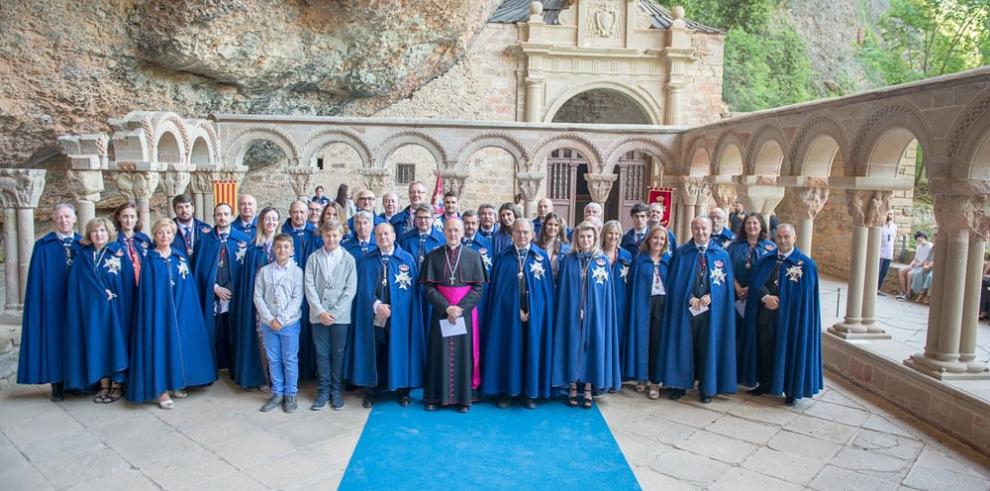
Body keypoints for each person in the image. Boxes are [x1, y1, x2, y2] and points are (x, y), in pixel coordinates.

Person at [127, 219, 216, 409]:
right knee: (160, 347)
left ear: (173, 235)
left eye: (168, 233)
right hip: (158, 312)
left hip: (180, 309)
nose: (164, 236)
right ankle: (161, 390)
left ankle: (176, 382)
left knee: (179, 346)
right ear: (155, 235)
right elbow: (148, 292)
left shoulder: (179, 256)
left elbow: (187, 286)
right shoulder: (150, 260)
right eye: (160, 233)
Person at [740, 224, 822, 405]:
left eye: (786, 237)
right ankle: (766, 383)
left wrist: (783, 301)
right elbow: (756, 283)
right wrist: (765, 297)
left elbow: (805, 296)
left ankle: (790, 389)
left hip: (791, 320)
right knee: (765, 350)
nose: (782, 241)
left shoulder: (806, 265)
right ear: (774, 238)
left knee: (788, 351)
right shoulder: (766, 260)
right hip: (765, 317)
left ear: (794, 238)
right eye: (779, 237)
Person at [658, 216, 737, 403]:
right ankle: (679, 384)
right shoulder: (681, 253)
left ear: (711, 230)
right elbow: (674, 283)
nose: (700, 232)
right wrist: (689, 297)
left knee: (707, 347)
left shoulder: (721, 255)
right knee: (683, 345)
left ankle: (705, 386)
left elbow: (726, 289)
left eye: (704, 228)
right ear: (691, 229)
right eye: (697, 228)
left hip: (711, 313)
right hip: (685, 311)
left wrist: (713, 296)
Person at [347, 223, 424, 408]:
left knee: (399, 350)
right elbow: (362, 290)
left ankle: (402, 390)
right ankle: (372, 390)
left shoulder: (406, 260)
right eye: (379, 235)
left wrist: (398, 309)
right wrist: (377, 305)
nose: (383, 238)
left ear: (394, 235)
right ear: (375, 237)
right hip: (374, 316)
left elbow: (413, 294)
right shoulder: (367, 261)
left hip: (401, 318)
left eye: (386, 234)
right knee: (375, 350)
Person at [483, 219, 554, 408]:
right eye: (518, 232)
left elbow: (545, 293)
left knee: (531, 350)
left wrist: (534, 311)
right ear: (512, 234)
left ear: (532, 234)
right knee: (509, 350)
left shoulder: (541, 257)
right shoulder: (503, 257)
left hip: (534, 316)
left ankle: (530, 393)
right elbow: (498, 293)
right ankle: (507, 391)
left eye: (525, 232)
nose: (522, 236)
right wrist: (515, 310)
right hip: (507, 316)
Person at [419, 218, 487, 412]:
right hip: (441, 313)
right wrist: (446, 308)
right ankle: (434, 397)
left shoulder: (473, 257)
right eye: (449, 230)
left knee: (463, 355)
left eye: (456, 230)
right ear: (444, 232)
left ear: (463, 232)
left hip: (464, 315)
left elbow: (478, 288)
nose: (453, 234)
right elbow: (428, 288)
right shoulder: (433, 256)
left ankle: (463, 399)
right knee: (438, 354)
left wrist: (460, 309)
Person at [552, 221, 621, 409]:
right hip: (571, 314)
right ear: (576, 238)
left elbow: (605, 295)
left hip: (595, 314)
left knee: (592, 347)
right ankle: (573, 386)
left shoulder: (602, 262)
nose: (585, 240)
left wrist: (590, 309)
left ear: (595, 238)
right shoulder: (568, 260)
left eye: (589, 236)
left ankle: (589, 388)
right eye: (582, 236)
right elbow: (565, 291)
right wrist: (576, 308)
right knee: (573, 345)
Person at [17, 204, 80, 401]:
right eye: (60, 217)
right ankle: (57, 384)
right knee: (56, 341)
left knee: (77, 339)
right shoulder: (43, 245)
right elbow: (36, 279)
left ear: (75, 219)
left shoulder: (83, 243)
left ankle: (76, 382)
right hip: (53, 302)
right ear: (54, 220)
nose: (64, 221)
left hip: (77, 302)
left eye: (67, 217)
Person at [65, 218, 128, 404]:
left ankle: (117, 385)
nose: (99, 234)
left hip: (115, 309)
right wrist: (99, 293)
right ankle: (103, 384)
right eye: (94, 231)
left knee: (115, 343)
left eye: (102, 230)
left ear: (109, 232)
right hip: (92, 311)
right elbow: (78, 284)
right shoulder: (83, 256)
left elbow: (126, 282)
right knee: (97, 344)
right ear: (89, 234)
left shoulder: (118, 253)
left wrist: (115, 295)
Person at [305, 220, 358, 411]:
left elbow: (350, 289)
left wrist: (334, 313)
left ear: (341, 235)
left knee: (338, 353)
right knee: (321, 353)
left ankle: (336, 391)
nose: (331, 239)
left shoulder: (349, 259)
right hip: (318, 315)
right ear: (322, 235)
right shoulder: (313, 258)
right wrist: (320, 311)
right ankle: (323, 391)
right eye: (328, 235)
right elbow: (309, 286)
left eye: (335, 235)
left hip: (340, 317)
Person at [193, 203, 250, 373]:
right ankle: (215, 365)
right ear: (214, 216)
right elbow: (199, 268)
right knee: (214, 330)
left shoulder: (243, 240)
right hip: (213, 292)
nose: (222, 217)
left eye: (226, 214)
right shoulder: (205, 240)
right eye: (219, 214)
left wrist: (230, 288)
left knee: (232, 330)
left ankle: (234, 366)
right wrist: (215, 287)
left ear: (232, 216)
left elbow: (245, 270)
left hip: (234, 293)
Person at [254, 233, 305, 413]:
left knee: (289, 359)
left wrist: (282, 319)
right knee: (273, 359)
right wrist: (269, 319)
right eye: (279, 247)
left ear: (292, 250)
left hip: (289, 324)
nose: (282, 250)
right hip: (269, 325)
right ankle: (277, 393)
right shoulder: (265, 271)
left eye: (286, 247)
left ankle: (291, 394)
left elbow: (297, 297)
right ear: (273, 249)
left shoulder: (297, 272)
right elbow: (258, 296)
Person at [231, 207, 281, 389]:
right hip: (260, 303)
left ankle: (281, 378)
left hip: (281, 302)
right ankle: (265, 378)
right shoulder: (254, 247)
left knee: (280, 338)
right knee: (263, 340)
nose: (271, 222)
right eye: (267, 219)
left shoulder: (284, 245)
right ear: (261, 222)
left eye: (274, 219)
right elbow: (250, 278)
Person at [624, 226, 671, 399]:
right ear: (649, 240)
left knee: (657, 343)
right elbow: (633, 286)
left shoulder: (668, 260)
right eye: (655, 238)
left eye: (662, 239)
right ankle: (641, 377)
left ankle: (655, 382)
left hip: (662, 305)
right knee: (642, 341)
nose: (658, 241)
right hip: (643, 304)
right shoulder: (639, 260)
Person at [281, 200, 320, 379]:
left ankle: (311, 369)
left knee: (311, 329)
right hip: (290, 291)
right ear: (290, 212)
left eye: (302, 212)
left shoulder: (315, 234)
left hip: (312, 290)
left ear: (307, 214)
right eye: (295, 212)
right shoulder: (283, 235)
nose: (298, 216)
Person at [112, 203, 150, 348]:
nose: (129, 220)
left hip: (142, 289)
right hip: (123, 290)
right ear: (118, 218)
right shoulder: (112, 240)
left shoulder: (144, 240)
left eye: (132, 216)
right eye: (125, 216)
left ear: (137, 219)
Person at [601, 220, 632, 390]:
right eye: (610, 233)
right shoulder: (597, 255)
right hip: (601, 304)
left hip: (620, 303)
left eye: (617, 234)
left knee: (617, 340)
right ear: (604, 234)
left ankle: (614, 379)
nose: (613, 237)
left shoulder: (626, 256)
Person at [399, 203, 445, 268]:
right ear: (415, 219)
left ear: (433, 219)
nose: (423, 220)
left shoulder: (442, 239)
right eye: (420, 217)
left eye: (426, 217)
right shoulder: (406, 239)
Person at [172, 194, 211, 265]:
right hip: (177, 272)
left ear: (193, 208)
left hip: (199, 272)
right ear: (174, 210)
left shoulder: (205, 230)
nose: (184, 210)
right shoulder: (168, 229)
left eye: (187, 206)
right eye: (180, 207)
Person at [535, 212, 571, 281]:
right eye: (550, 224)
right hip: (542, 282)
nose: (552, 228)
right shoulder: (536, 246)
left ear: (560, 228)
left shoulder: (566, 248)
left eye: (556, 225)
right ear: (544, 226)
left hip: (558, 285)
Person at [897, 231, 932, 300]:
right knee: (901, 271)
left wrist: (916, 266)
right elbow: (915, 259)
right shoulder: (919, 247)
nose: (919, 241)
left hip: (923, 266)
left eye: (920, 239)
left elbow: (927, 260)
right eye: (918, 240)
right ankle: (904, 292)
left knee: (909, 274)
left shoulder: (930, 246)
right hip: (916, 265)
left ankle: (908, 294)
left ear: (924, 237)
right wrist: (911, 265)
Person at [878, 211, 897, 296]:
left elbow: (893, 240)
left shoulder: (894, 227)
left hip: (888, 254)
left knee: (884, 272)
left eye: (891, 214)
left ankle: (878, 288)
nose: (890, 216)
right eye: (888, 214)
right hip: (880, 253)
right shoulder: (881, 226)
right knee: (878, 271)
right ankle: (872, 288)